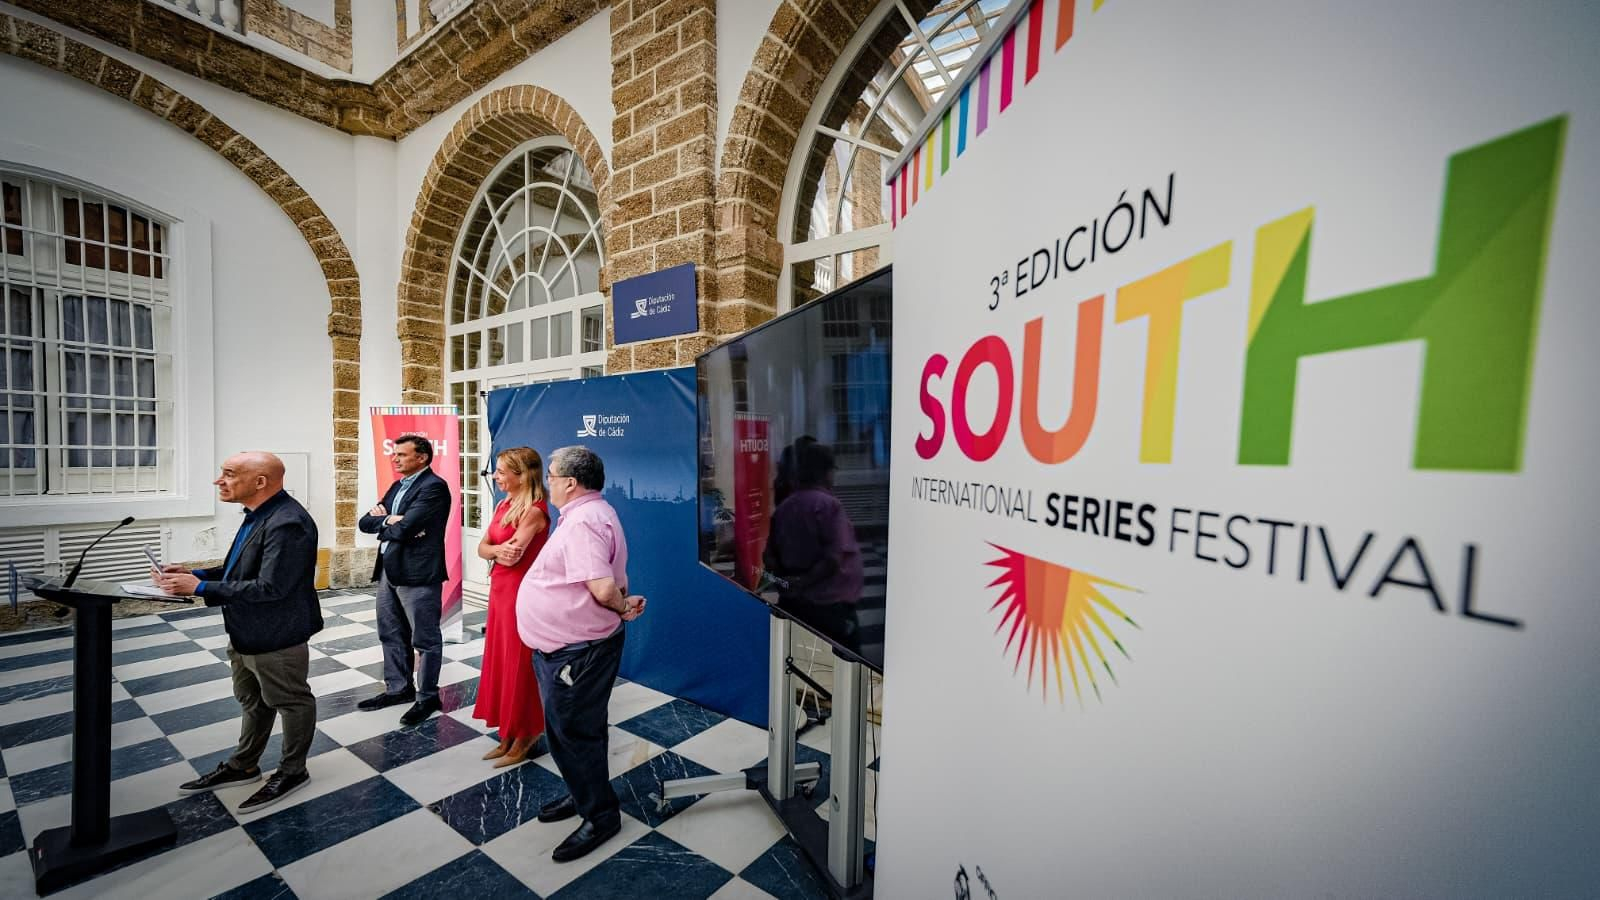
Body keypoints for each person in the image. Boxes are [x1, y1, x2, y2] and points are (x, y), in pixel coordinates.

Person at [155, 452, 323, 813]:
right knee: (253, 700)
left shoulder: (288, 522)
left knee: (291, 702)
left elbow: (271, 587)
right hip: (246, 629)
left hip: (276, 634)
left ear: (260, 482)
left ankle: (293, 771)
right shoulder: (259, 514)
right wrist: (195, 574)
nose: (219, 481)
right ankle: (244, 765)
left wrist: (199, 589)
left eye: (229, 474)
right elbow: (240, 569)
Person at [517, 445, 646, 863]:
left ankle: (601, 816)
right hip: (569, 648)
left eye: (552, 476)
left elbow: (603, 589)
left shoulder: (584, 521)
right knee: (569, 731)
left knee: (576, 733)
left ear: (570, 483)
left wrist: (622, 606)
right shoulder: (586, 514)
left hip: (577, 652)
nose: (548, 482)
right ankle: (582, 793)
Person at [357, 433, 451, 726]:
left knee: (425, 638)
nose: (394, 459)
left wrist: (394, 524)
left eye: (401, 454)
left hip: (418, 572)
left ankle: (428, 697)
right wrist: (389, 520)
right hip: (389, 568)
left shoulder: (434, 487)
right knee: (390, 632)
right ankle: (398, 689)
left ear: (421, 457)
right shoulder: (398, 485)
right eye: (394, 454)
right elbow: (364, 523)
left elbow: (408, 527)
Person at [471, 446, 549, 768]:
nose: (495, 477)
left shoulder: (535, 511)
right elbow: (482, 548)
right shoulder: (504, 504)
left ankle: (527, 732)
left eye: (502, 472)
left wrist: (494, 549)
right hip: (500, 591)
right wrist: (494, 550)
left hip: (520, 593)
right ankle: (509, 730)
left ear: (523, 475)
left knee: (520, 662)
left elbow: (511, 555)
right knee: (502, 659)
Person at [763, 440, 864, 651]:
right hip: (829, 605)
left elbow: (769, 555)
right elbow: (832, 559)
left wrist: (786, 581)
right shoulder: (829, 506)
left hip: (795, 603)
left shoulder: (785, 507)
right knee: (846, 656)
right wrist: (803, 582)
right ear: (825, 472)